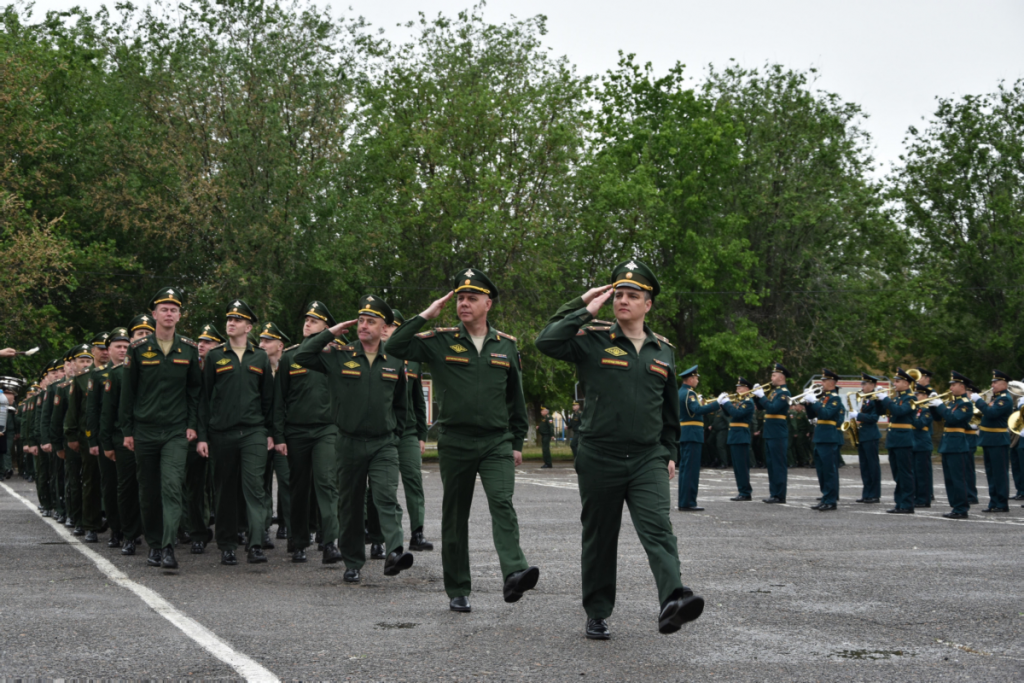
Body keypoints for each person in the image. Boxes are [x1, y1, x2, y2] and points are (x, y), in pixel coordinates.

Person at [535, 259, 703, 640]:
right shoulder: (591, 338)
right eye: (618, 294)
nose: (623, 300)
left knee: (658, 527)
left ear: (648, 304)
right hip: (599, 455)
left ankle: (672, 599)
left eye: (632, 295)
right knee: (600, 536)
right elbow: (546, 340)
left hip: (647, 457)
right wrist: (584, 306)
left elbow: (668, 410)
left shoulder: (663, 351)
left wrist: (669, 450)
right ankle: (597, 612)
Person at [386, 267, 537, 614]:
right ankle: (457, 587)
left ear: (488, 304)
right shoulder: (440, 340)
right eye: (460, 298)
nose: (464, 303)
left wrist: (516, 441)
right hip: (456, 441)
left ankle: (514, 572)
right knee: (455, 516)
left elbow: (515, 397)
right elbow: (394, 345)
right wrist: (426, 315)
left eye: (472, 298)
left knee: (502, 503)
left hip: (496, 441)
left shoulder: (506, 345)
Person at [295, 294, 414, 583]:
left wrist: (395, 435)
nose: (363, 325)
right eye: (360, 320)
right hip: (348, 442)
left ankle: (394, 551)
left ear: (383, 328)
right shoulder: (340, 354)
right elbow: (302, 356)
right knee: (350, 504)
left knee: (386, 497)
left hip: (383, 443)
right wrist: (330, 332)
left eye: (370, 322)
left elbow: (401, 404)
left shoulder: (394, 359)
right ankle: (353, 561)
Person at [122, 287, 203, 570]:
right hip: (144, 431)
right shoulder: (138, 349)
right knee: (148, 491)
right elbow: (128, 393)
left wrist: (192, 424)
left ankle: (168, 546)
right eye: (164, 309)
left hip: (175, 431)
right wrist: (127, 430)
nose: (169, 314)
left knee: (171, 486)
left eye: (174, 310)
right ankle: (154, 544)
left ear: (180, 316)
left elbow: (195, 391)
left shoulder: (189, 349)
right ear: (154, 314)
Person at [198, 299, 275, 566]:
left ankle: (255, 544)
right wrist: (203, 436)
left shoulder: (260, 356)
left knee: (254, 488)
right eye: (229, 319)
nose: (231, 323)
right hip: (222, 434)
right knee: (225, 491)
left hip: (253, 432)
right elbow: (204, 399)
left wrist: (270, 432)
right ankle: (227, 545)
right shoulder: (214, 356)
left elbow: (268, 399)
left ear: (248, 327)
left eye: (237, 320)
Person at [274, 302, 343, 564]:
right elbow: (279, 400)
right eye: (306, 319)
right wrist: (279, 436)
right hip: (296, 431)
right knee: (299, 487)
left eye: (314, 321)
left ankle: (330, 542)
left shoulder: (337, 354)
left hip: (327, 429)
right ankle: (299, 540)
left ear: (327, 327)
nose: (307, 323)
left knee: (326, 483)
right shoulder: (290, 356)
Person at [379, 310, 433, 551]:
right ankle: (379, 536)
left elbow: (418, 400)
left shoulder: (412, 360)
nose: (385, 329)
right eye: (384, 325)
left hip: (408, 432)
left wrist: (422, 434)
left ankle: (417, 533)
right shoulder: (372, 356)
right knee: (381, 486)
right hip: (382, 432)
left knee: (414, 481)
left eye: (391, 326)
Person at [101, 315, 153, 555]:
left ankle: (156, 534)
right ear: (133, 340)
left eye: (148, 334)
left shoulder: (162, 365)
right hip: (126, 438)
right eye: (139, 335)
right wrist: (107, 442)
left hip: (154, 434)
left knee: (154, 487)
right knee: (128, 487)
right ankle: (129, 534)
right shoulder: (119, 372)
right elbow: (108, 410)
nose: (144, 338)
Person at [88, 329, 126, 547]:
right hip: (107, 436)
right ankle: (116, 528)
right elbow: (93, 410)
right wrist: (94, 440)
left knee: (130, 486)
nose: (122, 350)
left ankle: (132, 528)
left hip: (128, 435)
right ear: (109, 349)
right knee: (110, 485)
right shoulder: (98, 374)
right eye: (118, 346)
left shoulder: (135, 370)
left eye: (125, 346)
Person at [259, 321, 292, 542]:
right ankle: (262, 527)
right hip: (261, 432)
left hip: (283, 434)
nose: (262, 344)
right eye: (261, 340)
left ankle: (286, 524)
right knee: (261, 482)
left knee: (286, 480)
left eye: (267, 341)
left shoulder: (288, 367)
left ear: (280, 345)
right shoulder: (257, 367)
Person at [929, 372, 974, 519]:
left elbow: (953, 418)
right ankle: (955, 506)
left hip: (957, 445)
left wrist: (940, 405)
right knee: (949, 479)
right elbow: (940, 418)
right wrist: (933, 406)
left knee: (957, 478)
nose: (951, 388)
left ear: (962, 386)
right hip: (948, 444)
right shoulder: (953, 403)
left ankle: (961, 508)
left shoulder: (966, 404)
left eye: (954, 385)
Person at [62, 344, 95, 537]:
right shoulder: (68, 385)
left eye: (87, 360)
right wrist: (67, 437)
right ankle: (78, 518)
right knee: (77, 480)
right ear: (73, 364)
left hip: (99, 436)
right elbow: (65, 415)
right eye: (81, 361)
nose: (85, 364)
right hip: (79, 437)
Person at [677, 365, 719, 511]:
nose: (697, 381)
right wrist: (717, 404)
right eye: (696, 378)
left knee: (685, 469)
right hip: (693, 434)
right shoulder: (690, 394)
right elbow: (697, 410)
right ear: (691, 379)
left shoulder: (680, 392)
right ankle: (689, 502)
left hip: (685, 433)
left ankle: (684, 501)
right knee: (691, 470)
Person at [971, 370, 1015, 512]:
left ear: (1004, 384)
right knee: (991, 474)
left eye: (995, 382)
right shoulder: (996, 398)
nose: (992, 385)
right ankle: (994, 502)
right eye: (992, 382)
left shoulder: (1005, 399)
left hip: (998, 440)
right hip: (989, 439)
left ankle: (1002, 503)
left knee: (999, 474)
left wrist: (978, 401)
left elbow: (991, 413)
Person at [876, 368, 917, 514]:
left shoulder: (911, 398)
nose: (894, 384)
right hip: (894, 438)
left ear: (906, 383)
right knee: (897, 473)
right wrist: (878, 400)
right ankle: (899, 503)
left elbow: (899, 411)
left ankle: (907, 504)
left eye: (897, 381)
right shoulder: (897, 398)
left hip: (903, 439)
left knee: (905, 473)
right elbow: (882, 412)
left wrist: (885, 399)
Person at [804, 369, 844, 511]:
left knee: (829, 470)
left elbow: (826, 414)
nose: (822, 383)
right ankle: (825, 497)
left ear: (832, 382)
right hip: (820, 436)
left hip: (828, 437)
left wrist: (814, 401)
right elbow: (812, 416)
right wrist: (808, 404)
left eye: (825, 380)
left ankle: (831, 500)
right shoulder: (823, 398)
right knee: (821, 470)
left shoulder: (835, 399)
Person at [752, 363, 792, 504]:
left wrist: (762, 396)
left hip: (778, 433)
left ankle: (780, 495)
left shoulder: (784, 393)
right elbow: (761, 407)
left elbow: (773, 408)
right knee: (771, 464)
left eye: (774, 375)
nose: (771, 378)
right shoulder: (775, 392)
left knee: (778, 464)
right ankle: (774, 493)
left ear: (781, 377)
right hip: (770, 432)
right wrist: (757, 396)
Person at [717, 378, 755, 501]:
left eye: (740, 387)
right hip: (735, 436)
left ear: (747, 389)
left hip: (741, 436)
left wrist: (727, 403)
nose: (737, 389)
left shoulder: (748, 402)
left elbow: (737, 414)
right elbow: (729, 414)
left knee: (742, 466)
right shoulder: (741, 401)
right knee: (737, 467)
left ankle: (745, 492)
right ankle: (742, 491)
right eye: (737, 387)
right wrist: (723, 404)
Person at [848, 374, 883, 504]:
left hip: (871, 435)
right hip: (863, 435)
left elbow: (874, 418)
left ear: (872, 385)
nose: (862, 386)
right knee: (864, 466)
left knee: (872, 466)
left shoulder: (875, 399)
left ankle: (874, 494)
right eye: (862, 383)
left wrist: (858, 415)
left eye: (865, 384)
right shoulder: (864, 398)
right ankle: (867, 493)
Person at [911, 383, 934, 508]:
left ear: (925, 396)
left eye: (918, 394)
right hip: (914, 443)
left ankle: (924, 499)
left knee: (922, 474)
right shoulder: (916, 409)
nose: (916, 396)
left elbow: (920, 424)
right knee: (915, 473)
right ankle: (917, 497)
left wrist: (910, 415)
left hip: (922, 444)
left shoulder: (927, 410)